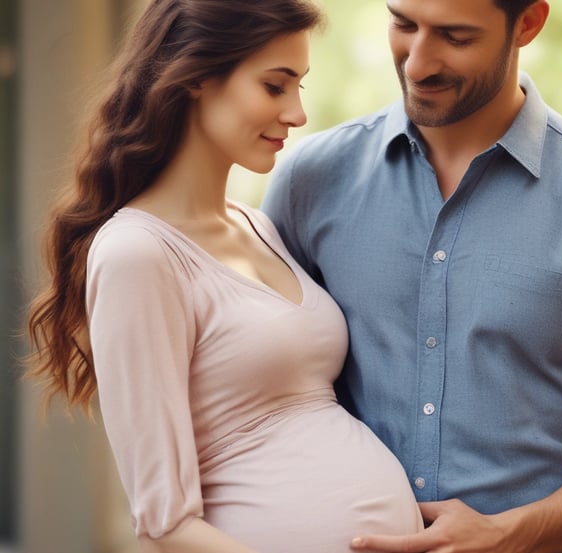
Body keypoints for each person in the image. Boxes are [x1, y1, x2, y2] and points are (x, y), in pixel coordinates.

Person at [261, 0, 562, 552]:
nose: (416, 64)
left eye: (455, 37)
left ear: (527, 24)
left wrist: (511, 535)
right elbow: (256, 397)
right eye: (403, 24)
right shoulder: (308, 182)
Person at [24, 1, 423, 552]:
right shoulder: (137, 253)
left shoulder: (257, 226)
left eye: (300, 87)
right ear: (197, 78)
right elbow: (164, 524)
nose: (297, 114)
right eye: (275, 86)